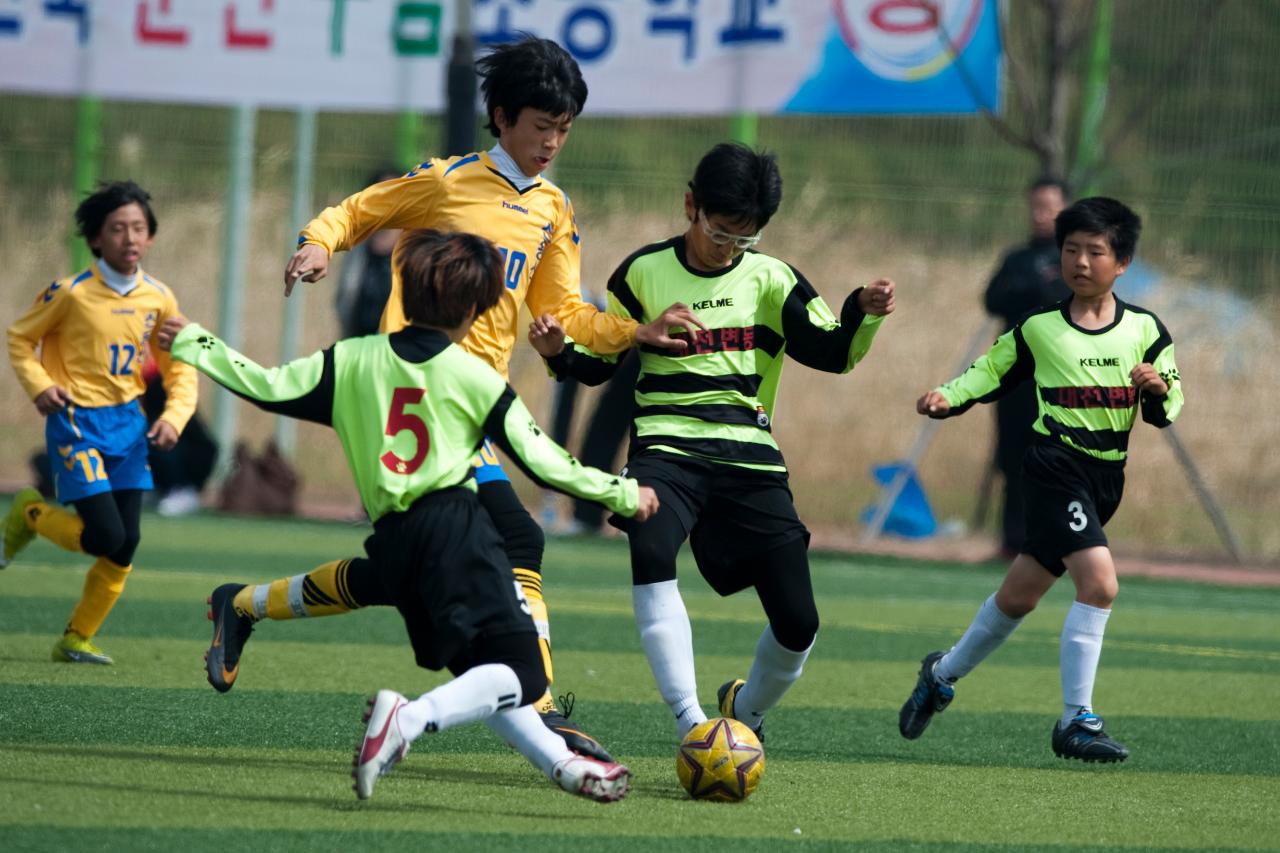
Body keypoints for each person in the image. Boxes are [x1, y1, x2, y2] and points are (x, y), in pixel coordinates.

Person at [205, 35, 701, 764]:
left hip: (467, 407)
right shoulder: (448, 182)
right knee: (518, 540)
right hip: (406, 393)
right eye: (541, 126)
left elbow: (569, 307)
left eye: (564, 129)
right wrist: (318, 243)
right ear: (501, 117)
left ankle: (241, 604)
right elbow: (361, 210)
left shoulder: (554, 210)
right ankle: (538, 708)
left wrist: (633, 331)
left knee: (400, 574)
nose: (552, 142)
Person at [158, 229, 658, 802]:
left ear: (405, 288)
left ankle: (565, 767)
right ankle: (408, 719)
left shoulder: (350, 360)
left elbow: (267, 388)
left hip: (393, 541)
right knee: (525, 675)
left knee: (484, 675)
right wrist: (623, 495)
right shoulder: (474, 377)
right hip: (455, 533)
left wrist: (197, 344)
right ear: (476, 310)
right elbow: (547, 463)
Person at [528, 142, 896, 742]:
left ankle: (743, 714)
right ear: (690, 205)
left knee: (799, 622)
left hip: (749, 456)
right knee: (649, 548)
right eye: (720, 232)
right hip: (665, 452)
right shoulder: (641, 273)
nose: (728, 249)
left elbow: (833, 353)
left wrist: (861, 309)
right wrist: (559, 356)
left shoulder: (773, 280)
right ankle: (692, 724)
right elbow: (601, 365)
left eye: (744, 240)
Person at [899, 197, 1183, 763]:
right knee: (1099, 584)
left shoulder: (1146, 331)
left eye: (1095, 251)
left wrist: (1156, 389)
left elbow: (1170, 403)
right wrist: (947, 396)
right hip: (1055, 467)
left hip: (1106, 480)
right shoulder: (1039, 328)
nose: (1080, 261)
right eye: (1071, 249)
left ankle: (941, 673)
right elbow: (989, 370)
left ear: (1121, 261)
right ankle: (1077, 719)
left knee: (1020, 596)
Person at [3, 180, 197, 664]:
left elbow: (179, 366)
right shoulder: (70, 293)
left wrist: (174, 416)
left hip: (129, 428)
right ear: (95, 239)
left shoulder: (160, 299)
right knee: (106, 536)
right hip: (76, 424)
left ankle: (76, 638)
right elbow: (19, 339)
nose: (129, 238)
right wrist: (40, 385)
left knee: (126, 542)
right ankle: (30, 514)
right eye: (117, 229)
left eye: (138, 228)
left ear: (150, 237)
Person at [982, 177, 1071, 557]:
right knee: (1013, 456)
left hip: (1058, 378)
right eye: (1036, 206)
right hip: (1015, 375)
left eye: (1049, 206)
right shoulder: (1017, 259)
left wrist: (1039, 290)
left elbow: (1070, 301)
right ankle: (1012, 543)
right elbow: (994, 298)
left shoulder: (1074, 258)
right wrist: (1033, 287)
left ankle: (1058, 541)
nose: (1041, 215)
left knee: (1055, 458)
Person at [333, 167, 402, 339]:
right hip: (357, 343)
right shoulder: (357, 249)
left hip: (396, 350)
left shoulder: (414, 250)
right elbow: (344, 300)